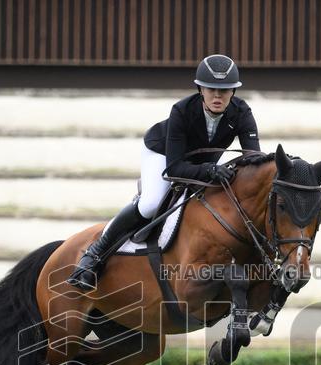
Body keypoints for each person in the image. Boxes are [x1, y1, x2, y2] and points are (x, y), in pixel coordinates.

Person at [67, 54, 261, 292]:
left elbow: (252, 159)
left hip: (201, 162)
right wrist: (210, 169)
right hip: (162, 155)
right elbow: (175, 169)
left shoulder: (242, 112)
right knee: (150, 204)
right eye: (211, 89)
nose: (218, 96)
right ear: (200, 89)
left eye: (225, 90)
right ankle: (94, 254)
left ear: (233, 92)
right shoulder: (181, 110)